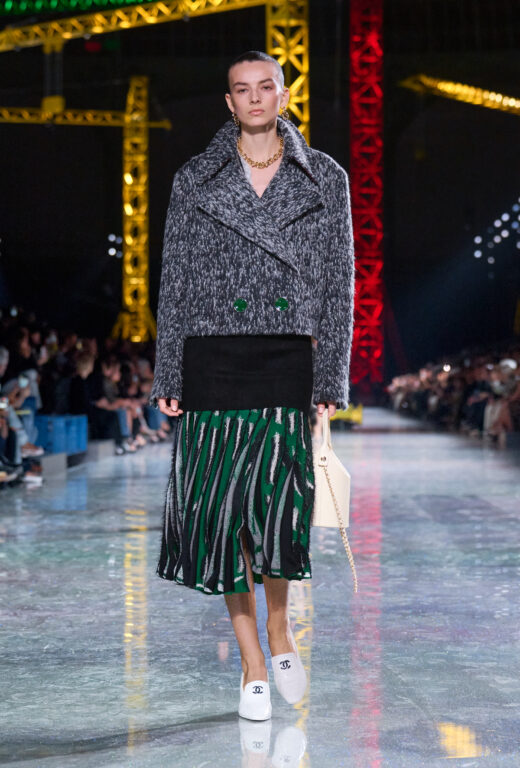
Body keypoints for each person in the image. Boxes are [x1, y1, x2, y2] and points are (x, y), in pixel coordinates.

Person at [150, 51, 355, 721]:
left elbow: (340, 283)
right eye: (243, 89)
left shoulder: (324, 176)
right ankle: (251, 664)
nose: (256, 97)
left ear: (284, 95)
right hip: (211, 356)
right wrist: (169, 371)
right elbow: (174, 280)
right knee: (220, 514)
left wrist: (331, 374)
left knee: (276, 507)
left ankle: (278, 627)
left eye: (267, 86)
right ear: (229, 102)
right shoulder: (194, 178)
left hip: (284, 355)